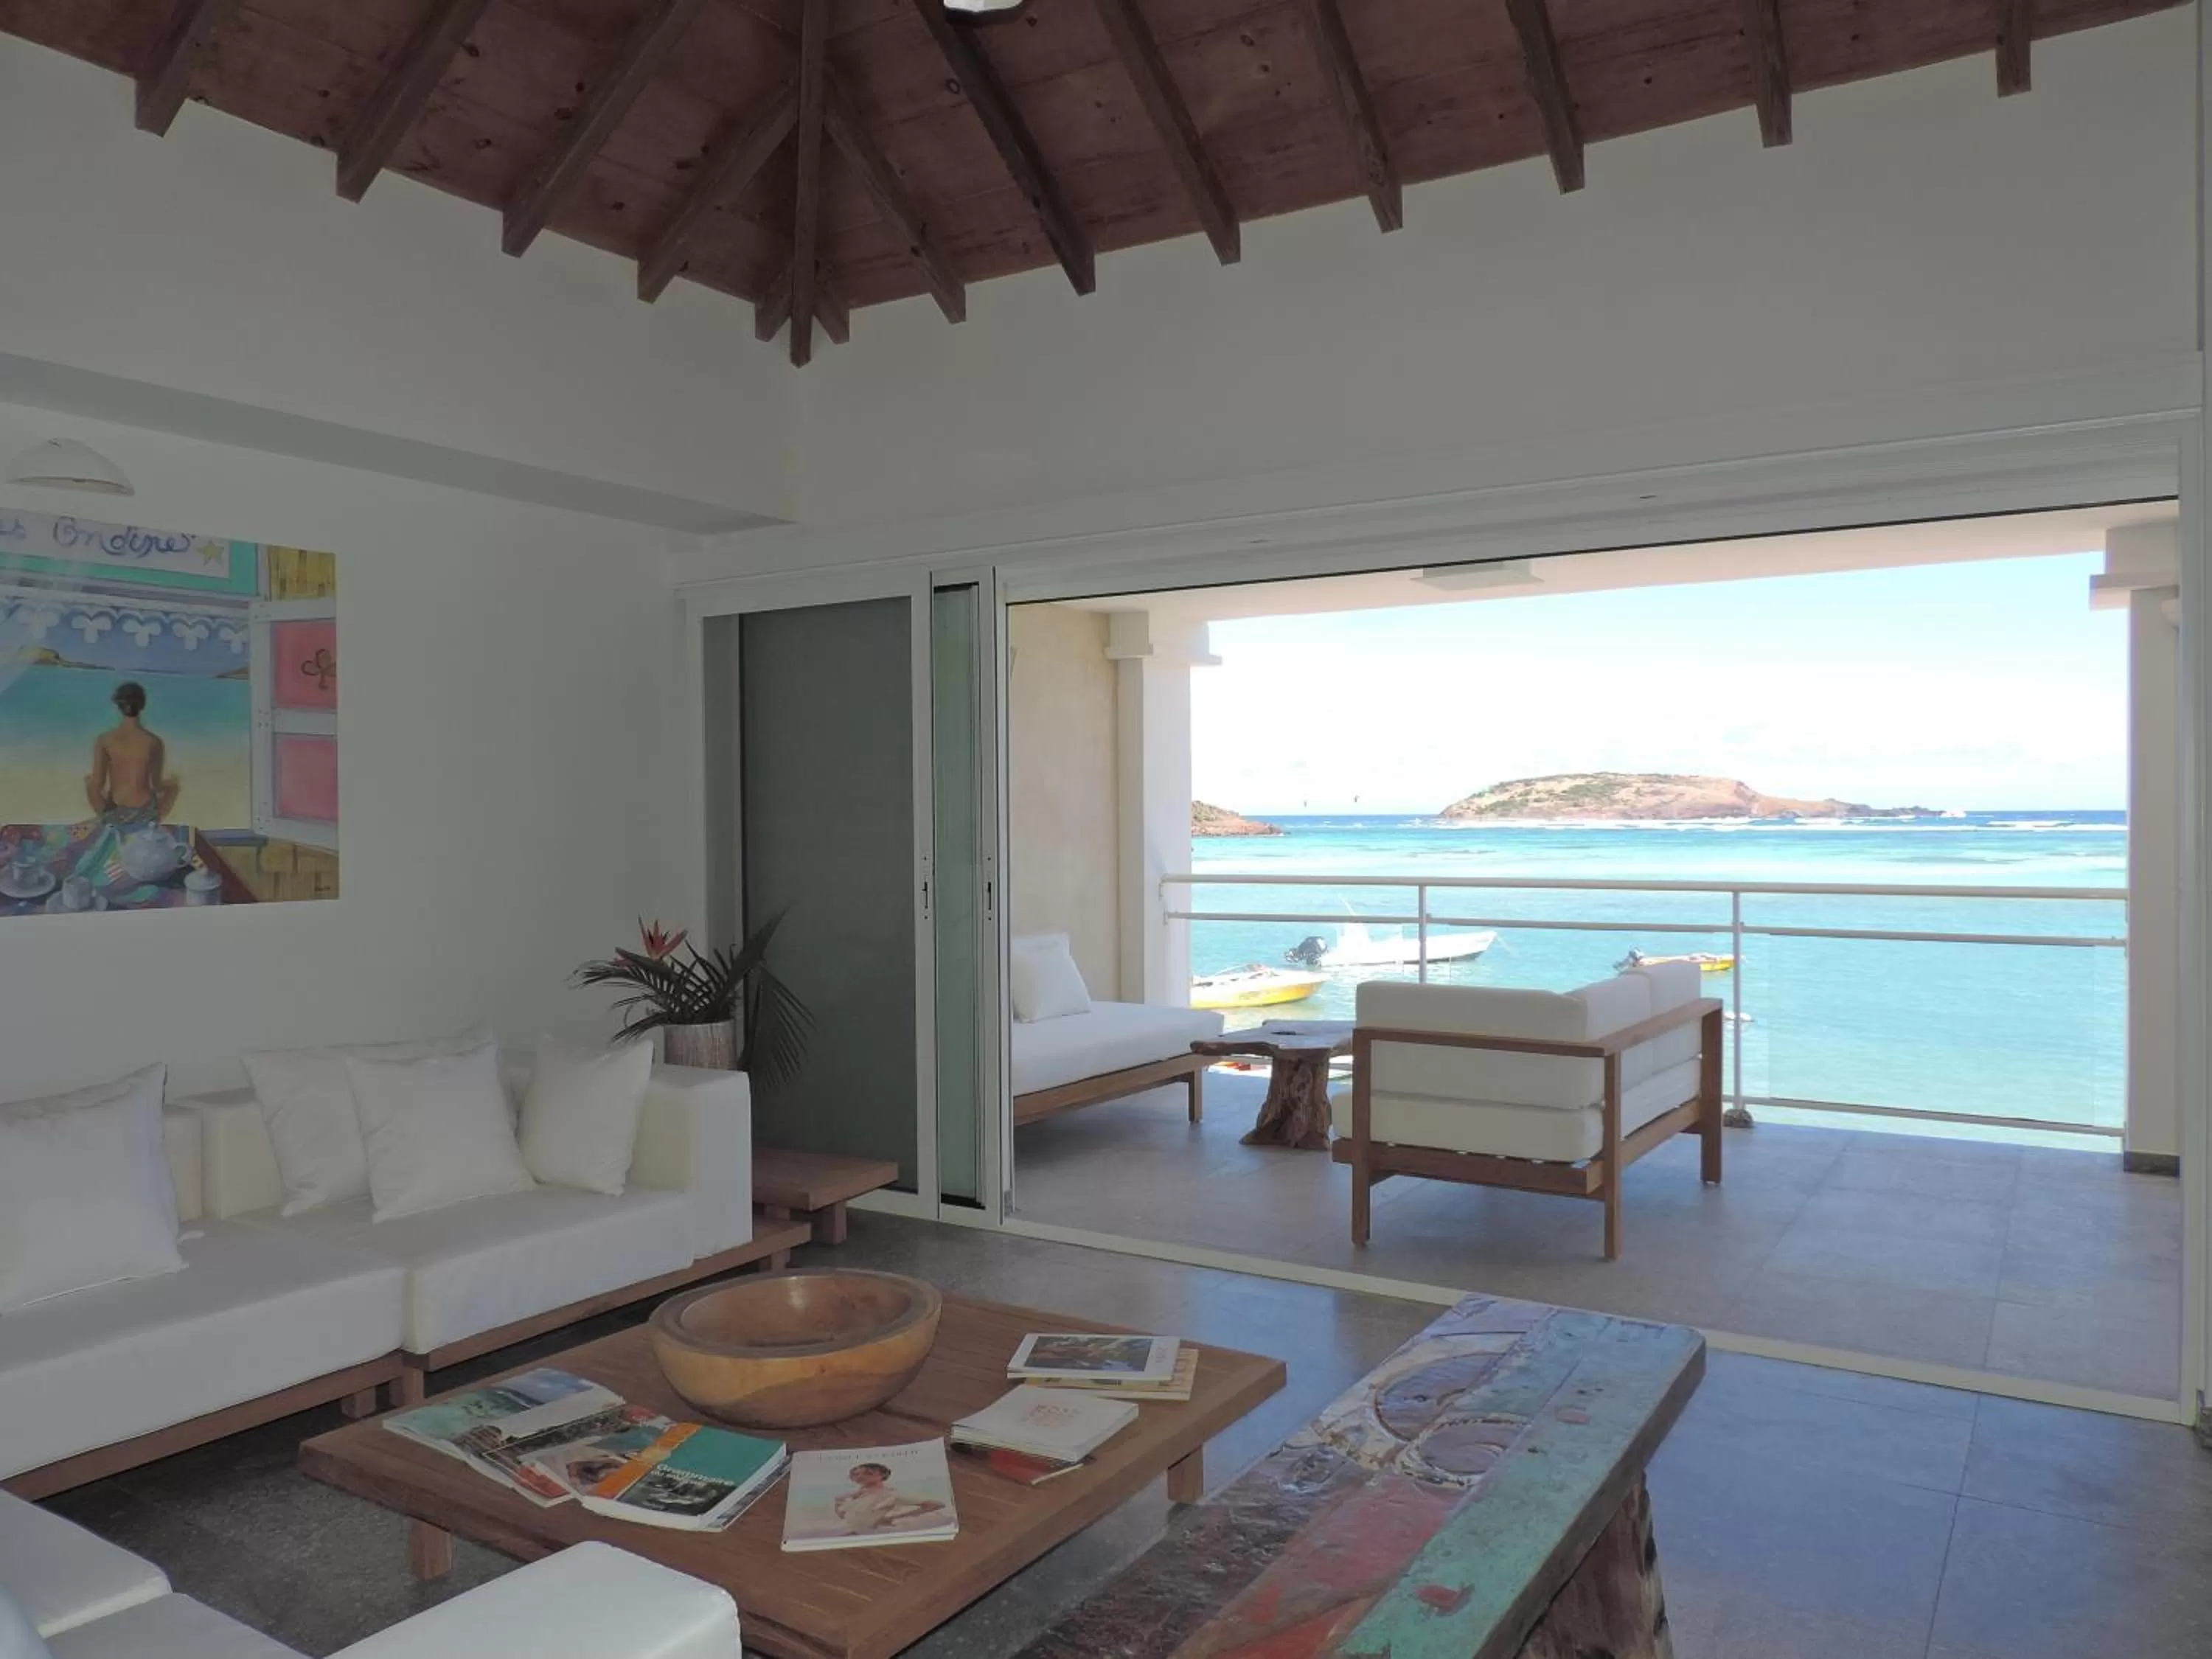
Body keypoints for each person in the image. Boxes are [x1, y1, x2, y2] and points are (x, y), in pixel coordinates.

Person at [84, 681, 180, 827]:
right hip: (146, 814)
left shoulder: (105, 740)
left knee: (90, 784)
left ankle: (111, 825)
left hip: (115, 813)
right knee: (174, 788)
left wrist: (88, 783)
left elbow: (97, 785)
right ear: (142, 706)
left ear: (119, 707)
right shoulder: (154, 741)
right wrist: (172, 785)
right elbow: (157, 784)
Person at [832, 1462, 946, 1534]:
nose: (860, 1477)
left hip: (870, 1534)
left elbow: (936, 1505)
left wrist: (893, 1518)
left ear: (881, 1475)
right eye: (855, 1474)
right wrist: (838, 1505)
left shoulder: (889, 1494)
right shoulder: (856, 1495)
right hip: (853, 1533)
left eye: (868, 1473)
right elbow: (844, 1516)